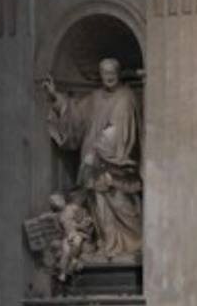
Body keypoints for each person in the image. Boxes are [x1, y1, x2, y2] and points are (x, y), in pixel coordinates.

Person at [43, 58, 143, 260]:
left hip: (115, 165)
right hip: (92, 166)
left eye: (112, 72)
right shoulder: (95, 98)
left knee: (119, 203)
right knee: (98, 206)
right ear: (100, 74)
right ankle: (107, 245)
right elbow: (76, 116)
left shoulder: (125, 97)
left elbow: (119, 132)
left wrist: (96, 153)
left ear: (119, 72)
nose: (109, 76)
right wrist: (56, 97)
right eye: (105, 72)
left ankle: (131, 245)